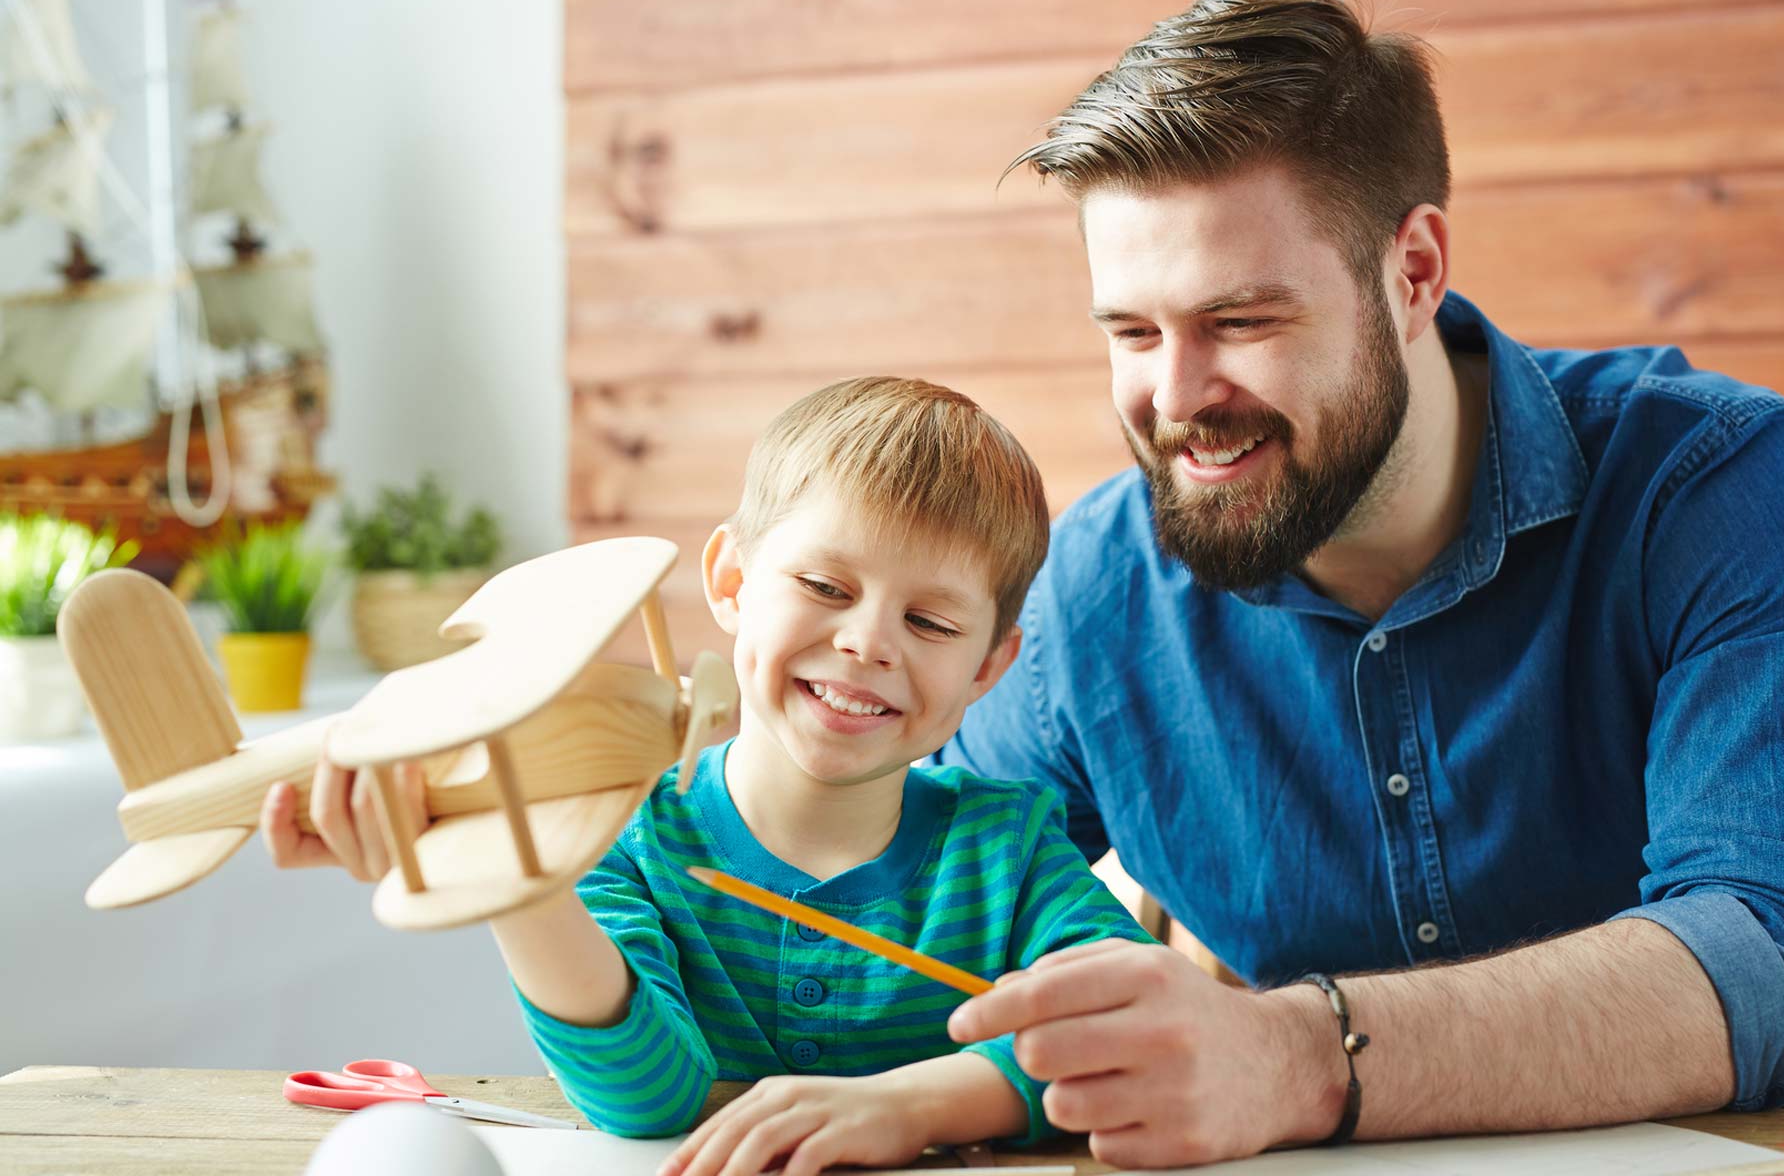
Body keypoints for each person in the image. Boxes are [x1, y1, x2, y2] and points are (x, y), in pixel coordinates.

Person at [936, 0, 1784, 1168]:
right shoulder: (1091, 588)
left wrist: (1294, 1055)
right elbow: (897, 892)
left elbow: (1782, 960)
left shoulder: (1710, 482)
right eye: (1132, 334)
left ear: (1414, 272)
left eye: (1237, 320)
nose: (1175, 401)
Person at [262, 377, 1154, 1173]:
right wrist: (520, 887)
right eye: (826, 586)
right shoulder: (626, 829)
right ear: (731, 579)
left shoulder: (1013, 846)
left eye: (929, 623)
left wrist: (907, 1104)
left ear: (990, 669)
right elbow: (646, 1102)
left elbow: (1137, 1037)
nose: (867, 644)